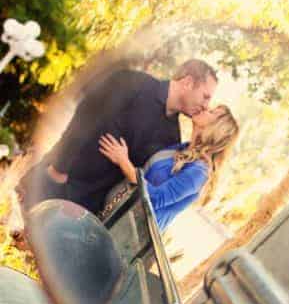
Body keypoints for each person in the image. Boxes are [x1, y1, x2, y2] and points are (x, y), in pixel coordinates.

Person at [19, 58, 218, 216]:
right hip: (54, 179)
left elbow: (137, 178)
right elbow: (85, 115)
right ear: (188, 82)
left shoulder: (171, 138)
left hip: (81, 209)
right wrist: (59, 170)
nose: (206, 105)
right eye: (205, 96)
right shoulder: (131, 82)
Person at [97, 103, 239, 231]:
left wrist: (123, 161)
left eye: (212, 112)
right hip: (117, 217)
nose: (206, 108)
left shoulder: (199, 172)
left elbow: (154, 199)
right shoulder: (183, 149)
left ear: (215, 128)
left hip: (132, 233)